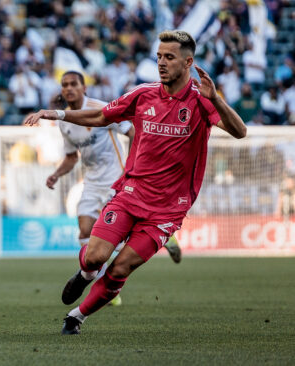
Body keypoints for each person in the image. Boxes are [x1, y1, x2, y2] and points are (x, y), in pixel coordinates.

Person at [25, 30, 246, 334]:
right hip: (130, 195)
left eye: (169, 57)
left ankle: (76, 318)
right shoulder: (143, 94)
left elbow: (240, 131)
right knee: (95, 256)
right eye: (159, 56)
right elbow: (102, 116)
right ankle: (85, 274)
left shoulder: (201, 101)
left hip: (166, 211)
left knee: (120, 268)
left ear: (188, 62)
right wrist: (57, 114)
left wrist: (216, 100)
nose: (161, 63)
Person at [47, 71, 182, 305]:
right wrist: (56, 174)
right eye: (64, 85)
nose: (69, 88)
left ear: (84, 87)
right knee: (84, 231)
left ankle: (164, 237)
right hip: (90, 182)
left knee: (114, 235)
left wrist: (133, 168)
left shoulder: (101, 108)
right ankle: (106, 289)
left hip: (116, 178)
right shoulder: (65, 122)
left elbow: (132, 132)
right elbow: (71, 157)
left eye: (73, 84)